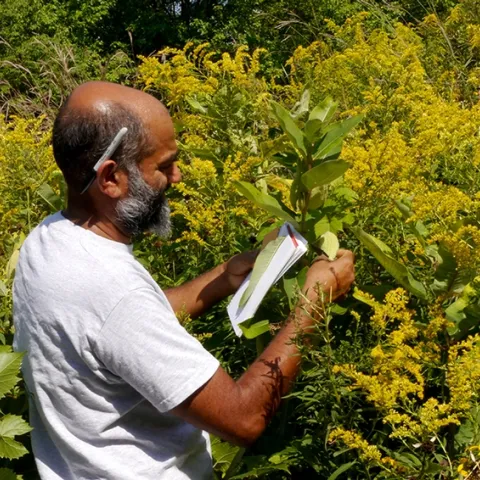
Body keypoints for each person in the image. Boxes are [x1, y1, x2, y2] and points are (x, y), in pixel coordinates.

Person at [13, 81, 355, 480]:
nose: (177, 176)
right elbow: (244, 420)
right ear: (111, 178)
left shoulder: (48, 240)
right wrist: (314, 301)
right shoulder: (112, 289)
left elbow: (118, 329)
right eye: (163, 165)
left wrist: (223, 277)